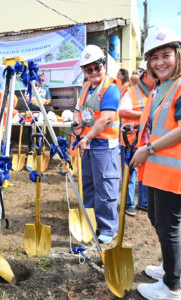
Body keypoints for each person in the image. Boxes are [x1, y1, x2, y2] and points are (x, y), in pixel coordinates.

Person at [126, 27, 181, 300]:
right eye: (155, 57)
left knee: (168, 226)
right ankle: (171, 267)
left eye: (166, 55)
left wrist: (149, 148)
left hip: (174, 172)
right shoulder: (161, 86)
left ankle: (172, 287)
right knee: (157, 220)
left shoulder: (180, 85)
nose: (160, 62)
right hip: (159, 169)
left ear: (177, 55)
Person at [73, 45, 121, 244]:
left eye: (97, 67)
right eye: (88, 69)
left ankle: (108, 228)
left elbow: (106, 119)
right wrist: (76, 123)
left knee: (105, 188)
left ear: (104, 65)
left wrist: (87, 138)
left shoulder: (111, 87)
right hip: (88, 145)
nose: (93, 72)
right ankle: (91, 222)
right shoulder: (86, 87)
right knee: (89, 186)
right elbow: (78, 109)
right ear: (83, 70)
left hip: (103, 145)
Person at [119, 61, 157, 216]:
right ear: (145, 75)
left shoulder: (156, 92)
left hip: (146, 141)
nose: (157, 78)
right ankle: (129, 203)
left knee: (144, 173)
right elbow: (122, 112)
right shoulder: (131, 92)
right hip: (130, 140)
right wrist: (144, 116)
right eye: (153, 75)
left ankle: (144, 202)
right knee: (130, 173)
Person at [27, 72, 51, 154]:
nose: (42, 82)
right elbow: (27, 98)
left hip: (41, 111)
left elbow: (49, 99)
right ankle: (31, 148)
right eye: (40, 80)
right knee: (31, 129)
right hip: (32, 111)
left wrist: (46, 101)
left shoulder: (46, 89)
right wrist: (33, 101)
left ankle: (38, 148)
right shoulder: (31, 87)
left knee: (40, 130)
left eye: (43, 80)